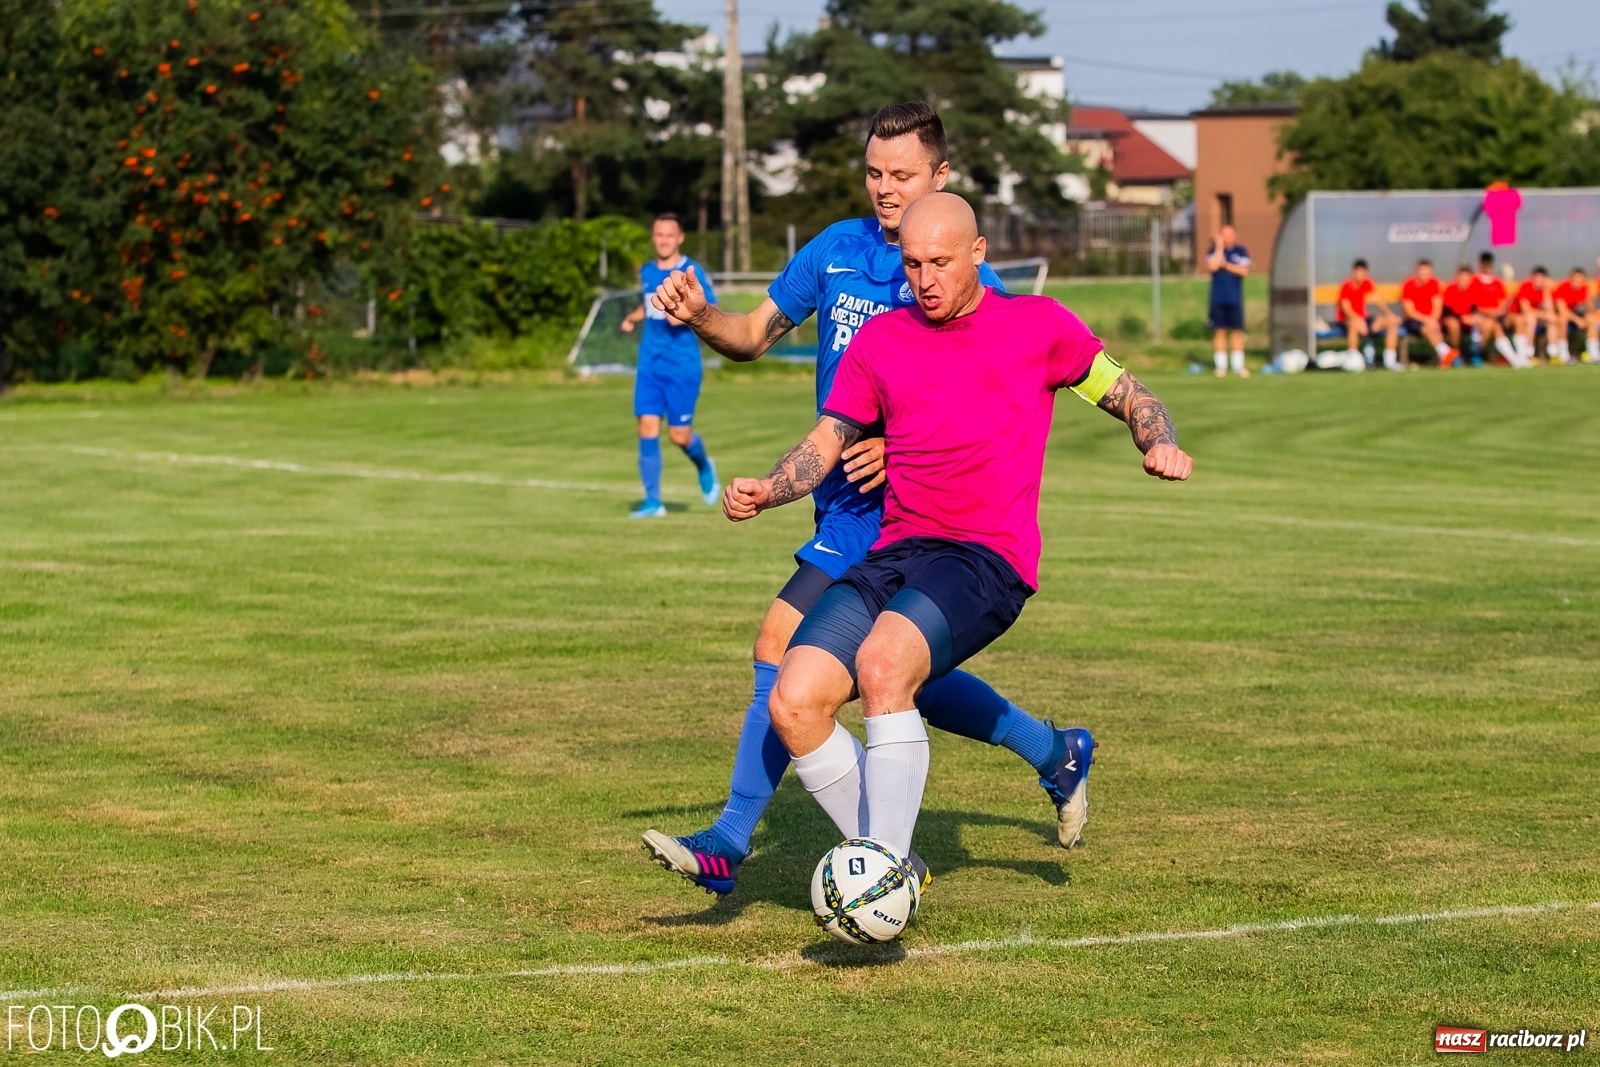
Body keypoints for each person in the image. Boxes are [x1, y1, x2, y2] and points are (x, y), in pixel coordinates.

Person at [639, 103, 1095, 897]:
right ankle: (1051, 752)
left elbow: (983, 383)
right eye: (875, 173)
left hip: (909, 516)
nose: (886, 189)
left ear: (941, 177)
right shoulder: (835, 250)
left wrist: (903, 441)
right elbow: (753, 334)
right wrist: (701, 314)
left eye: (903, 175)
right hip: (840, 501)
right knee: (903, 676)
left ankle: (736, 840)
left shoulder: (956, 270)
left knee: (782, 643)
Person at [721, 193, 1192, 863]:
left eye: (940, 262)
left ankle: (882, 866)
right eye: (913, 265)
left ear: (978, 252)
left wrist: (1159, 442)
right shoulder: (882, 341)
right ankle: (892, 864)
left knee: (883, 665)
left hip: (984, 558)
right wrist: (771, 488)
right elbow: (828, 439)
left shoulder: (1039, 325)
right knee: (793, 698)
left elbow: (1133, 395)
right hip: (895, 552)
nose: (925, 279)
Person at [620, 214, 720, 518]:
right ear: (654, 238)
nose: (663, 240)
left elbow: (712, 308)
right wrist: (633, 317)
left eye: (669, 235)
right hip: (649, 364)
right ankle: (653, 502)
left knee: (679, 435)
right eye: (658, 235)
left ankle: (704, 465)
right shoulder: (648, 271)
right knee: (646, 427)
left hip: (682, 366)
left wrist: (687, 317)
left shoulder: (691, 272)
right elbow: (649, 302)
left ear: (680, 238)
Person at [1336, 259, 1401, 370]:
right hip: (1347, 320)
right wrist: (1358, 319)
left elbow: (1377, 300)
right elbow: (1346, 309)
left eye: (1362, 272)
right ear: (1353, 272)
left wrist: (1389, 314)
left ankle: (1390, 360)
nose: (1360, 275)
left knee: (1392, 322)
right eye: (1358, 271)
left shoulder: (1367, 283)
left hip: (1363, 319)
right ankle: (1353, 359)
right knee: (1354, 324)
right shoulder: (1346, 286)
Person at [1205, 225, 1250, 378]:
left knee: (1237, 332)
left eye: (1229, 234)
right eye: (1224, 235)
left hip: (1234, 298)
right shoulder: (1213, 251)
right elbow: (1212, 267)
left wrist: (1226, 265)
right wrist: (1219, 247)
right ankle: (1221, 367)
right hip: (1217, 298)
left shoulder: (1240, 251)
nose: (1226, 238)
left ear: (1234, 235)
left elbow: (1244, 270)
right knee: (1219, 331)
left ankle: (1238, 366)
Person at [1467, 251, 1523, 367]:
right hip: (1481, 317)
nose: (1486, 267)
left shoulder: (1497, 282)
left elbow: (1502, 302)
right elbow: (1475, 306)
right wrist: (1490, 312)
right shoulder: (1474, 281)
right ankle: (1475, 353)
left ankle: (1520, 357)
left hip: (1497, 317)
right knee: (1491, 325)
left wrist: (1500, 311)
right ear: (1480, 264)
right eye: (1484, 264)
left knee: (1518, 321)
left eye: (1488, 264)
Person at [1399, 258, 1452, 367]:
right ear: (1417, 270)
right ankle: (1447, 354)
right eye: (1422, 271)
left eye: (1427, 271)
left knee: (1436, 328)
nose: (1424, 274)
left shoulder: (1435, 283)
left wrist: (1433, 320)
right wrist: (1428, 320)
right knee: (1428, 329)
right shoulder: (1408, 284)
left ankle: (1444, 357)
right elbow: (1410, 312)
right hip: (1413, 321)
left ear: (1431, 272)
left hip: (1431, 320)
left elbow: (1437, 307)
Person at [1510, 267, 1562, 364]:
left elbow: (1550, 310)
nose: (1540, 281)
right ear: (1532, 278)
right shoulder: (1525, 287)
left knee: (1552, 321)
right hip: (1516, 316)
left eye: (1542, 278)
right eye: (1537, 278)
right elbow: (1526, 310)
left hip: (1536, 317)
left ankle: (1553, 354)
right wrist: (1545, 315)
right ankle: (1529, 354)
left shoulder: (1546, 290)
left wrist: (1547, 291)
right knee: (1531, 319)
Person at [1551, 265, 1597, 365]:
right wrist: (1577, 320)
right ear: (1571, 278)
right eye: (1576, 278)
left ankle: (1593, 353)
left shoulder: (1586, 288)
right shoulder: (1563, 287)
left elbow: (1590, 310)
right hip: (1565, 318)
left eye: (1581, 279)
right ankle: (1563, 354)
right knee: (1562, 319)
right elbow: (1562, 311)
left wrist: (1589, 299)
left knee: (1591, 318)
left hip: (1577, 317)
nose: (1578, 281)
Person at [1439, 264, 1475, 367]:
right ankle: (1455, 354)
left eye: (1467, 279)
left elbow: (1476, 308)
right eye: (1462, 278)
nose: (1464, 281)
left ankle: (1475, 353)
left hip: (1469, 322)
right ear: (1457, 277)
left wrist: (1474, 317)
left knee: (1485, 323)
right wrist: (1461, 318)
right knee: (1453, 324)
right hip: (1454, 320)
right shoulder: (1451, 289)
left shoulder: (1474, 290)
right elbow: (1447, 310)